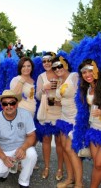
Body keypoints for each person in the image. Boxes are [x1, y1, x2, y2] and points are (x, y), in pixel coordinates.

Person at [0, 89, 37, 188]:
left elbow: (32, 135)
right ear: (1, 106)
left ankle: (24, 181)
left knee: (32, 154)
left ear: (17, 104)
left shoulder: (25, 115)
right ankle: (5, 172)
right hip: (3, 150)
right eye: (5, 104)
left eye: (12, 103)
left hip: (20, 147)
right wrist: (3, 157)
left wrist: (23, 148)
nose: (9, 106)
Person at [77, 59, 101, 188]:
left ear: (96, 70)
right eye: (84, 72)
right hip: (95, 129)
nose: (87, 74)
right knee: (98, 165)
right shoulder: (88, 88)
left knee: (100, 164)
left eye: (90, 70)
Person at [52, 56, 82, 188]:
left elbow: (83, 92)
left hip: (75, 119)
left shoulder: (74, 76)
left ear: (66, 65)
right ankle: (70, 178)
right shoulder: (60, 80)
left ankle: (79, 183)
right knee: (64, 149)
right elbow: (61, 101)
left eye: (60, 66)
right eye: (55, 67)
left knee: (70, 150)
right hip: (64, 118)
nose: (57, 69)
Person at [35, 52, 63, 180]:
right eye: (44, 61)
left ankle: (60, 168)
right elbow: (37, 96)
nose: (46, 63)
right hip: (46, 111)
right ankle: (46, 167)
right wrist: (44, 88)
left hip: (59, 112)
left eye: (49, 60)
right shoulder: (41, 76)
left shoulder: (60, 73)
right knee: (46, 140)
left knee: (59, 142)